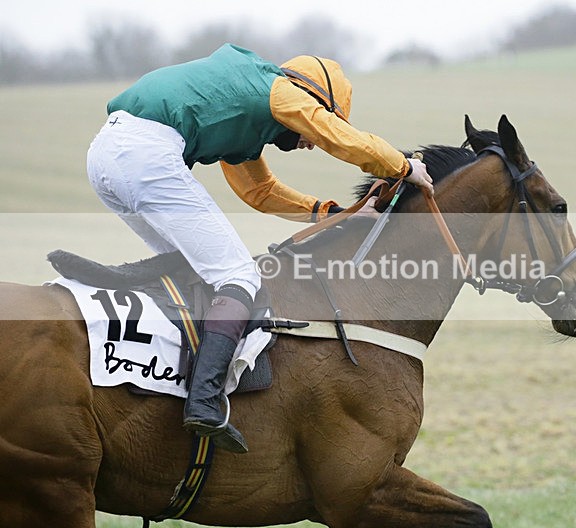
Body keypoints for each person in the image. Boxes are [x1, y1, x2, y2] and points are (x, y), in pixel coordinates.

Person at [86, 43, 434, 454]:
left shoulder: (242, 112)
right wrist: (404, 166)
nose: (309, 142)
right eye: (319, 120)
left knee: (190, 273)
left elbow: (259, 191)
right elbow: (340, 139)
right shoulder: (278, 90)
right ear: (311, 99)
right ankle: (204, 401)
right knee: (239, 278)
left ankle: (162, 380)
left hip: (107, 156)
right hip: (144, 154)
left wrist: (330, 212)